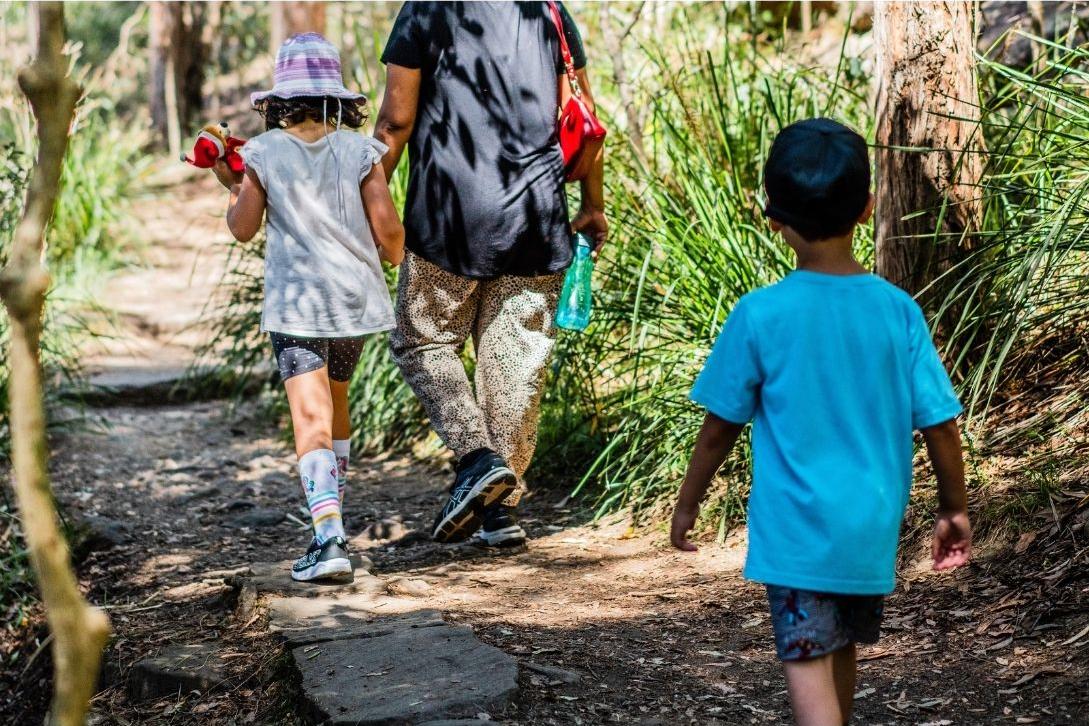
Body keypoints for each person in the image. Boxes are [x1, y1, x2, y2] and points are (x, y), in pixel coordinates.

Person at [669, 118, 972, 726]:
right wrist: (953, 509)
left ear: (771, 215)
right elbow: (939, 424)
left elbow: (718, 427)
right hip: (868, 533)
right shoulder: (897, 312)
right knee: (841, 655)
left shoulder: (760, 315)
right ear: (866, 209)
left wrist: (688, 502)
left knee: (811, 687)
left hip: (798, 537)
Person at [374, 2, 607, 546]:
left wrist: (366, 197)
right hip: (535, 215)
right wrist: (593, 203)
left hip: (447, 216)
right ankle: (501, 513)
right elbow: (584, 112)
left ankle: (478, 460)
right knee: (514, 363)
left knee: (421, 339)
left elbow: (395, 121)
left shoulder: (426, 9)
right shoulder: (547, 9)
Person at [211, 33, 405, 582]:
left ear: (279, 99)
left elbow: (243, 229)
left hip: (299, 304)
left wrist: (231, 185)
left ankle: (329, 539)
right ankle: (332, 523)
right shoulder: (359, 150)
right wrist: (391, 258)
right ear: (337, 99)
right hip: (353, 300)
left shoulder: (263, 152)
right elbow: (388, 231)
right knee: (335, 403)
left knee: (309, 416)